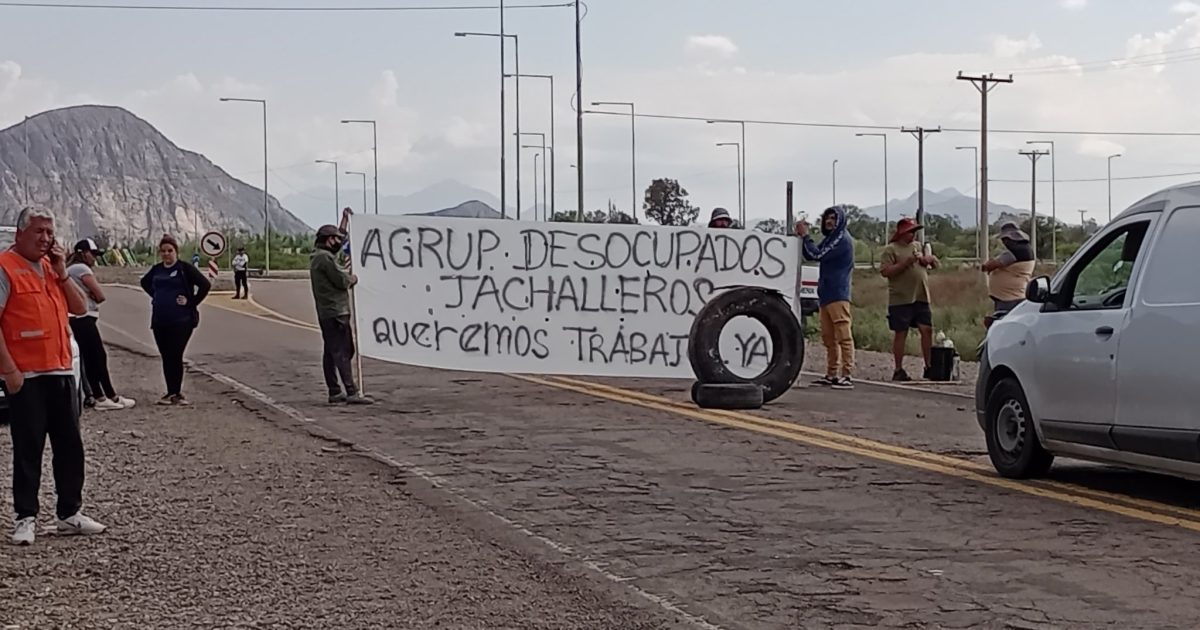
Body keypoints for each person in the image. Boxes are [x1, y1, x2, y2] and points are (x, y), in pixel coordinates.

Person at [0, 206, 107, 545]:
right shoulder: (6, 268)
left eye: (50, 232)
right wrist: (9, 371)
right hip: (27, 374)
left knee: (70, 445)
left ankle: (69, 512)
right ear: (21, 233)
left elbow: (78, 308)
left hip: (61, 370)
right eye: (39, 232)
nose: (46, 239)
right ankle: (25, 517)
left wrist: (62, 272)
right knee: (29, 448)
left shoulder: (51, 268)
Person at [140, 234, 210, 406]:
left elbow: (205, 285)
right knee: (166, 356)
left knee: (175, 354)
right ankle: (170, 391)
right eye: (163, 251)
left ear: (176, 252)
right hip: (159, 321)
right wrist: (157, 296)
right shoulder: (156, 270)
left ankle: (177, 393)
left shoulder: (184, 269)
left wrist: (191, 301)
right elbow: (144, 283)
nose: (166, 254)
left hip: (181, 320)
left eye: (170, 251)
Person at [67, 238, 135, 412]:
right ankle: (104, 396)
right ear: (82, 253)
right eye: (93, 254)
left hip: (75, 318)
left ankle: (104, 396)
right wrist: (90, 294)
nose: (95, 258)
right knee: (97, 357)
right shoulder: (81, 269)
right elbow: (100, 295)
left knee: (90, 358)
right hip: (84, 317)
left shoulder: (69, 270)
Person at [310, 224, 373, 405]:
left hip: (327, 312)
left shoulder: (319, 256)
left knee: (331, 352)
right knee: (343, 351)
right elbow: (342, 280)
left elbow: (339, 242)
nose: (340, 241)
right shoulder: (325, 260)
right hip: (336, 312)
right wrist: (353, 278)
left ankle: (335, 390)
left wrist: (344, 223)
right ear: (329, 240)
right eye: (336, 238)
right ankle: (351, 390)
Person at [795, 205, 856, 389]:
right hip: (827, 293)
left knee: (843, 334)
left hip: (838, 293)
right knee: (829, 337)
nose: (829, 221)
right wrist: (803, 238)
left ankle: (847, 373)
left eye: (833, 218)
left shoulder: (841, 240)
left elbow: (816, 254)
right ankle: (832, 372)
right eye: (827, 218)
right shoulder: (831, 238)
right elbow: (810, 253)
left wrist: (806, 236)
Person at [879, 218, 940, 382]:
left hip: (921, 295)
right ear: (901, 233)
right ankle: (898, 369)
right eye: (910, 231)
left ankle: (929, 366)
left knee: (926, 329)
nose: (913, 235)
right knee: (901, 332)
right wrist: (905, 263)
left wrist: (929, 260)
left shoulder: (919, 246)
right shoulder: (891, 249)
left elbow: (935, 264)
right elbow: (885, 271)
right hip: (901, 298)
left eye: (914, 231)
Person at [983, 222, 1036, 313]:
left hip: (1008, 299)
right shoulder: (1026, 250)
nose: (1004, 242)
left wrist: (986, 265)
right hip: (1015, 296)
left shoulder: (1014, 252)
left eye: (1005, 240)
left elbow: (989, 266)